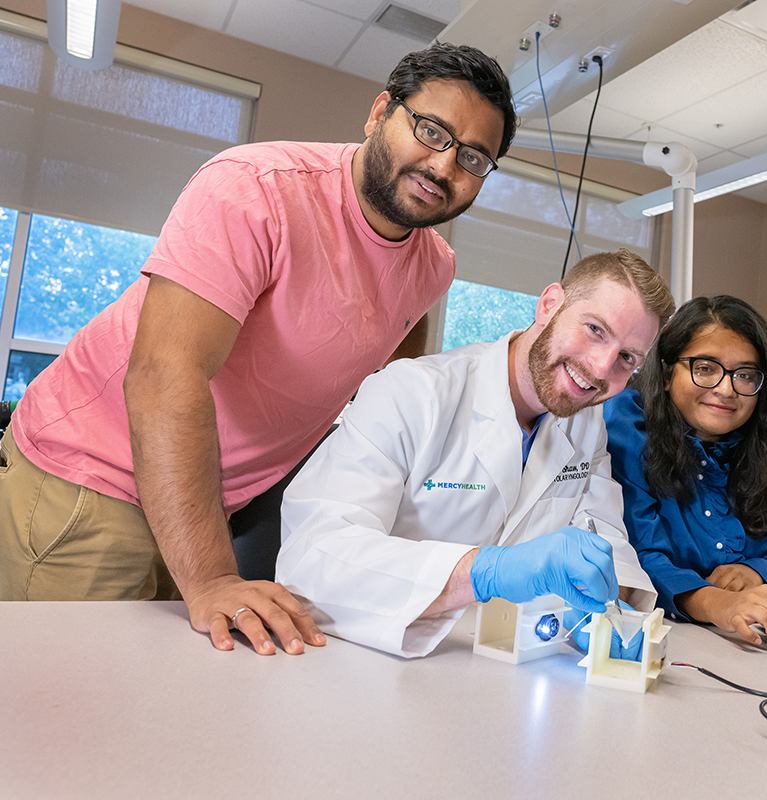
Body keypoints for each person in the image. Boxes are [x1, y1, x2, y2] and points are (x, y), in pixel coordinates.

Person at [0, 44, 516, 659]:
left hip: (205, 507)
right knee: (68, 724)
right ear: (380, 112)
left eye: (474, 156)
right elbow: (165, 376)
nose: (443, 165)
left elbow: (393, 367)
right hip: (92, 480)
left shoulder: (433, 267)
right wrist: (215, 577)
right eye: (431, 130)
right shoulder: (255, 191)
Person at [275, 251, 675, 658]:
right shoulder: (410, 393)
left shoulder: (585, 423)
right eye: (594, 329)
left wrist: (609, 610)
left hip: (501, 666)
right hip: (370, 659)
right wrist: (486, 572)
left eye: (627, 358)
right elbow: (313, 557)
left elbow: (603, 538)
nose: (601, 368)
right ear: (549, 304)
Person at [603, 295, 767, 645]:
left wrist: (756, 573)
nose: (726, 389)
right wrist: (717, 601)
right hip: (660, 643)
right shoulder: (628, 435)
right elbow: (634, 560)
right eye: (705, 368)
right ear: (665, 373)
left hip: (757, 647)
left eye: (746, 375)